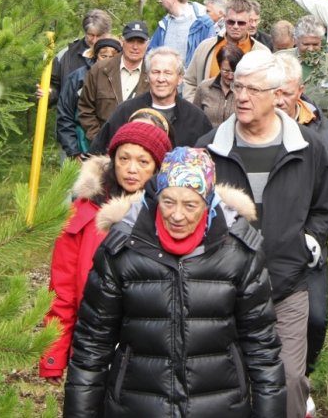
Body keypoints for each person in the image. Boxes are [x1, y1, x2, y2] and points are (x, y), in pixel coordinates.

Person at [64, 147, 286, 416]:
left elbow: (263, 349)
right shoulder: (122, 250)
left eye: (190, 205)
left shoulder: (239, 253)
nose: (177, 215)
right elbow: (91, 347)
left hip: (220, 405)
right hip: (137, 406)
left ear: (208, 202)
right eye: (168, 202)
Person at [196, 51, 328, 418]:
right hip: (223, 288)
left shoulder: (307, 148)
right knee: (228, 383)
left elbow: (323, 206)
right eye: (238, 87)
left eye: (254, 90)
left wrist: (308, 240)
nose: (242, 97)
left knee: (288, 381)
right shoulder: (208, 148)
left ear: (277, 95)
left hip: (287, 284)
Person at [40, 121, 172, 384]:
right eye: (124, 159)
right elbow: (62, 289)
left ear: (157, 167)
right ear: (113, 160)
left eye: (143, 162)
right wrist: (53, 355)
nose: (131, 169)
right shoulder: (85, 211)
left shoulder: (171, 215)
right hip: (92, 341)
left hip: (152, 350)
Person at [273, 53, 328, 379]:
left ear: (300, 91)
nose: (279, 100)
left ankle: (302, 374)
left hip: (312, 238)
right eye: (274, 91)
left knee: (317, 317)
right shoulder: (258, 128)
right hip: (270, 236)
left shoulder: (323, 131)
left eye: (286, 93)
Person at [90, 47, 212, 152]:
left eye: (168, 73)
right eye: (155, 72)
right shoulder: (125, 111)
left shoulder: (196, 118)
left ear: (180, 78)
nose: (161, 79)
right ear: (147, 76)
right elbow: (98, 152)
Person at [183, 0, 270, 101]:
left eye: (241, 23)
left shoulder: (262, 53)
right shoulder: (205, 48)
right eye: (231, 22)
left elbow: (268, 89)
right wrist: (195, 106)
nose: (236, 26)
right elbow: (190, 81)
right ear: (224, 19)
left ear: (249, 22)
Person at [78, 21, 150, 143]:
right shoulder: (100, 69)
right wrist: (98, 139)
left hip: (141, 146)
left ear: (147, 44)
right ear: (122, 41)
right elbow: (85, 108)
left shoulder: (155, 73)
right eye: (131, 41)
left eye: (140, 42)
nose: (135, 47)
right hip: (104, 147)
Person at [56, 36, 121, 161]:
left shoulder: (123, 80)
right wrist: (73, 151)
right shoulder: (78, 77)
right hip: (81, 147)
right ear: (95, 55)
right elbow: (65, 115)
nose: (107, 60)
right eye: (103, 56)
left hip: (113, 150)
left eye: (112, 57)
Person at [37, 9, 112, 106]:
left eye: (99, 36)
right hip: (69, 114)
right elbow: (54, 85)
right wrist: (49, 94)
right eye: (91, 35)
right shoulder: (66, 55)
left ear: (108, 33)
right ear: (85, 32)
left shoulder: (118, 55)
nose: (94, 40)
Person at [289, 15, 328, 125]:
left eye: (315, 44)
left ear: (321, 41)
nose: (311, 49)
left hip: (320, 128)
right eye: (306, 44)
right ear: (296, 40)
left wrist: (327, 129)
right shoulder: (280, 60)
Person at [148, 0, 215, 66]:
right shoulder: (164, 25)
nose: (160, 1)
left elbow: (210, 57)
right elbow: (151, 53)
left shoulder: (203, 24)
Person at [193, 44, 243, 127]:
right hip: (208, 135)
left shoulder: (244, 91)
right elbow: (195, 118)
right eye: (226, 71)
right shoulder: (204, 87)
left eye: (234, 71)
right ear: (219, 67)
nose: (230, 76)